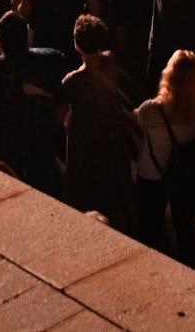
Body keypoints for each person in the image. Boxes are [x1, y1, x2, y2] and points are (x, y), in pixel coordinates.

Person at [0, 11, 65, 192]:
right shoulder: (52, 60)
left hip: (2, 149)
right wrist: (51, 128)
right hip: (40, 144)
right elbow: (62, 103)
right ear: (27, 36)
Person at [58, 14, 139, 229]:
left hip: (83, 145)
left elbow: (59, 114)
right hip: (112, 138)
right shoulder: (111, 62)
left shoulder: (71, 81)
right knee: (114, 191)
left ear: (76, 45)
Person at [133, 49, 195, 265]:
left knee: (150, 225)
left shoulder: (153, 109)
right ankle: (187, 265)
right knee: (184, 224)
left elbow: (135, 118)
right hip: (184, 174)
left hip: (152, 173)